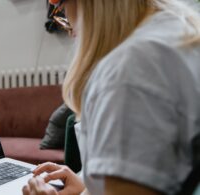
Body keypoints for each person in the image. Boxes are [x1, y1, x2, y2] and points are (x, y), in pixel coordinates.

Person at [22, 0, 200, 195]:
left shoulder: (132, 67)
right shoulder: (177, 36)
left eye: (62, 9)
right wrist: (86, 188)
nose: (71, 30)